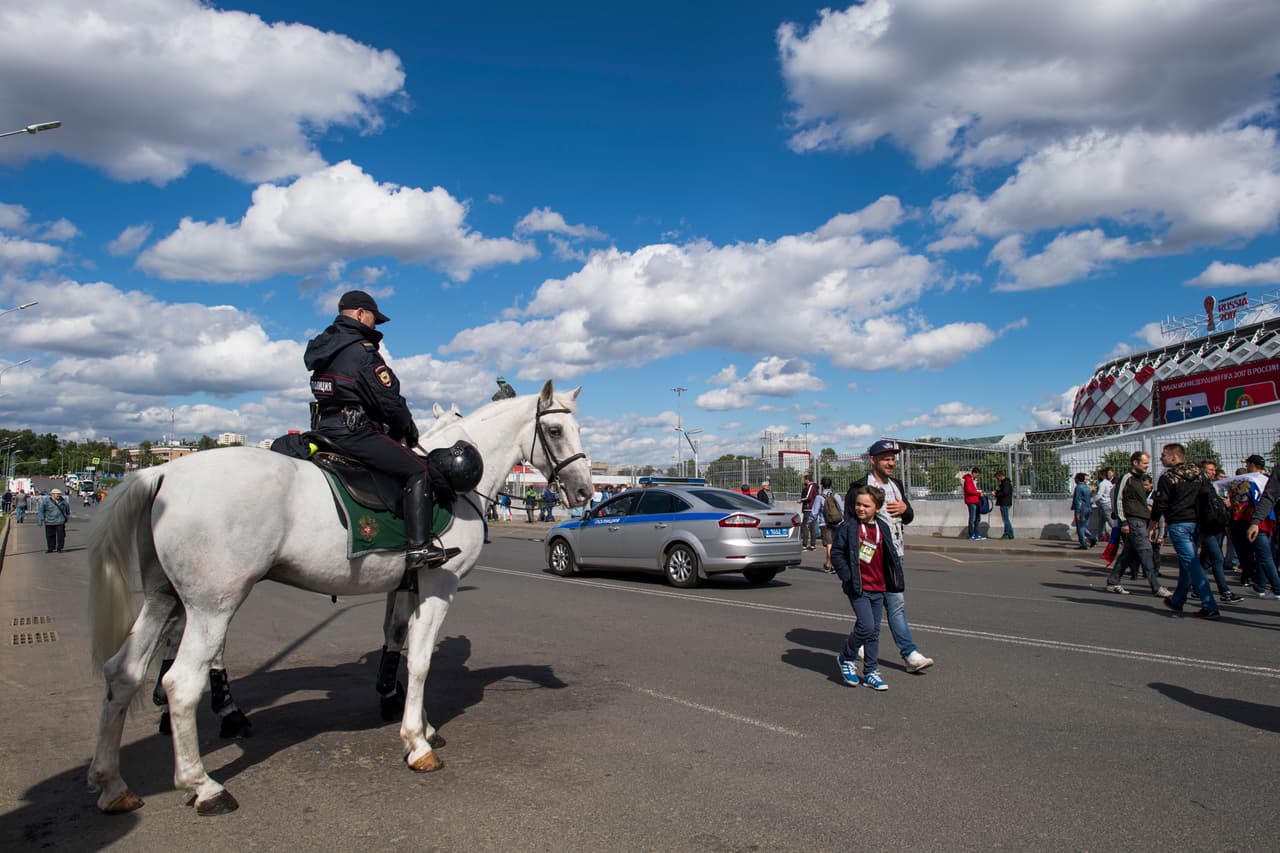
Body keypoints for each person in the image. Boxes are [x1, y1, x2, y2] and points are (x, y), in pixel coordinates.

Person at [304, 290, 450, 571]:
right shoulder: (362, 351)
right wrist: (407, 427)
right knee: (418, 470)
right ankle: (419, 547)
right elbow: (389, 401)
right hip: (355, 433)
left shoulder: (325, 348)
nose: (375, 326)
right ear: (359, 314)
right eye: (373, 319)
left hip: (324, 429)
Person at [848, 439, 933, 673]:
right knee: (883, 606)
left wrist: (907, 510)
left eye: (893, 458)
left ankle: (864, 642)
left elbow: (908, 516)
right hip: (870, 560)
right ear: (873, 460)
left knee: (891, 606)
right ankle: (910, 654)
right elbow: (849, 526)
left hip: (895, 557)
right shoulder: (858, 488)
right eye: (886, 458)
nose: (891, 462)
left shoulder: (896, 485)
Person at [831, 485, 902, 692]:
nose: (860, 508)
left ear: (877, 508)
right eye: (858, 504)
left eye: (866, 505)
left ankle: (870, 671)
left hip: (879, 585)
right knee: (866, 626)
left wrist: (895, 579)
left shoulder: (882, 527)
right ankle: (846, 656)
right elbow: (837, 553)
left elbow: (890, 555)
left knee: (874, 633)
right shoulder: (849, 526)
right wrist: (848, 576)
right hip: (859, 587)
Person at [1150, 442, 1220, 619]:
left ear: (1174, 457)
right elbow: (1210, 496)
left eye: (1163, 455)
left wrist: (1152, 525)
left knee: (1191, 563)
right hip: (1198, 524)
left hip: (1179, 524)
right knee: (1186, 563)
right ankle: (1178, 600)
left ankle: (1209, 604)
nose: (1161, 458)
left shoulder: (1168, 477)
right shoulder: (1200, 474)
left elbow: (1160, 504)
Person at [1106, 452, 1171, 597]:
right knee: (1146, 551)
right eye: (1144, 463)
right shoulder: (1126, 478)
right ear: (1135, 463)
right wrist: (1123, 521)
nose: (1147, 466)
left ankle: (1113, 581)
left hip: (1142, 521)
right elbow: (1118, 500)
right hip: (1133, 521)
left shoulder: (1140, 480)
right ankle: (1156, 586)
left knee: (1129, 553)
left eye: (1147, 463)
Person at [1223, 455, 1280, 599]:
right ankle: (1260, 586)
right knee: (1265, 555)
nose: (1247, 467)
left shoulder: (1246, 481)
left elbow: (1239, 505)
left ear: (1252, 465)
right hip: (1267, 519)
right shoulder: (1266, 477)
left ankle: (1274, 587)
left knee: (1263, 556)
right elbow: (1269, 497)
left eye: (1248, 464)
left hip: (1254, 519)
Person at [1194, 460, 1243, 604]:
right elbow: (1206, 506)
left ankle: (1197, 588)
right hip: (1206, 527)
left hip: (1216, 526)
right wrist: (1222, 503)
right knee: (1217, 558)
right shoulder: (1201, 486)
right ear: (1202, 471)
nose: (1213, 472)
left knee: (1205, 560)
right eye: (1210, 470)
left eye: (1214, 470)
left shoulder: (1212, 485)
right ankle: (1225, 591)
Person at [813, 476, 843, 573]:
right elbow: (842, 509)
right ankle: (832, 564)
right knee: (834, 543)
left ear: (822, 485)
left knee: (829, 544)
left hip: (824, 523)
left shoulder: (819, 497)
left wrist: (809, 522)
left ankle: (829, 564)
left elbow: (814, 512)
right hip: (836, 522)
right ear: (831, 485)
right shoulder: (836, 495)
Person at [37, 487, 70, 553]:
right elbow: (41, 511)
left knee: (61, 536)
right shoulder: (46, 502)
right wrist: (40, 520)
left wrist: (66, 516)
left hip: (60, 521)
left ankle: (60, 548)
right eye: (57, 494)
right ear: (53, 494)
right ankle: (50, 548)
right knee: (50, 535)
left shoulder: (63, 501)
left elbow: (67, 509)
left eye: (59, 494)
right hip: (49, 521)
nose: (59, 495)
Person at [1071, 472, 1096, 550]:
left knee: (1080, 528)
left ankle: (1084, 543)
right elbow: (1091, 499)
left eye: (1075, 478)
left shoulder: (1078, 487)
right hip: (1088, 508)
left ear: (1078, 479)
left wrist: (1077, 512)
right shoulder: (1087, 487)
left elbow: (1078, 501)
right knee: (1084, 526)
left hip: (1082, 509)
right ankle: (1092, 539)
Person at [962, 467, 984, 540]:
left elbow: (973, 489)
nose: (978, 477)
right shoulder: (968, 479)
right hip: (971, 501)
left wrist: (978, 492)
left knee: (977, 518)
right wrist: (978, 493)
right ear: (974, 473)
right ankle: (972, 534)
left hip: (975, 500)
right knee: (972, 518)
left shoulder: (973, 480)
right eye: (977, 475)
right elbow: (969, 490)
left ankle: (976, 533)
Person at [799, 474, 819, 551]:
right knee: (812, 526)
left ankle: (804, 545)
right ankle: (813, 545)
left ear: (807, 480)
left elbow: (808, 497)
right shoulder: (814, 487)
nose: (804, 481)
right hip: (813, 509)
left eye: (805, 480)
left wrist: (801, 500)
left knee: (805, 526)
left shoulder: (811, 486)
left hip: (808, 509)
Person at [994, 471, 1014, 539]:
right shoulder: (1006, 482)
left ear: (1000, 476)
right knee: (1006, 519)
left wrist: (996, 494)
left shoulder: (1005, 483)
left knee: (1005, 519)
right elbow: (1004, 491)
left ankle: (1007, 534)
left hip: (1004, 503)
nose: (997, 480)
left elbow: (1005, 492)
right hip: (1006, 502)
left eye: (997, 478)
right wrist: (997, 492)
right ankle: (1010, 534)